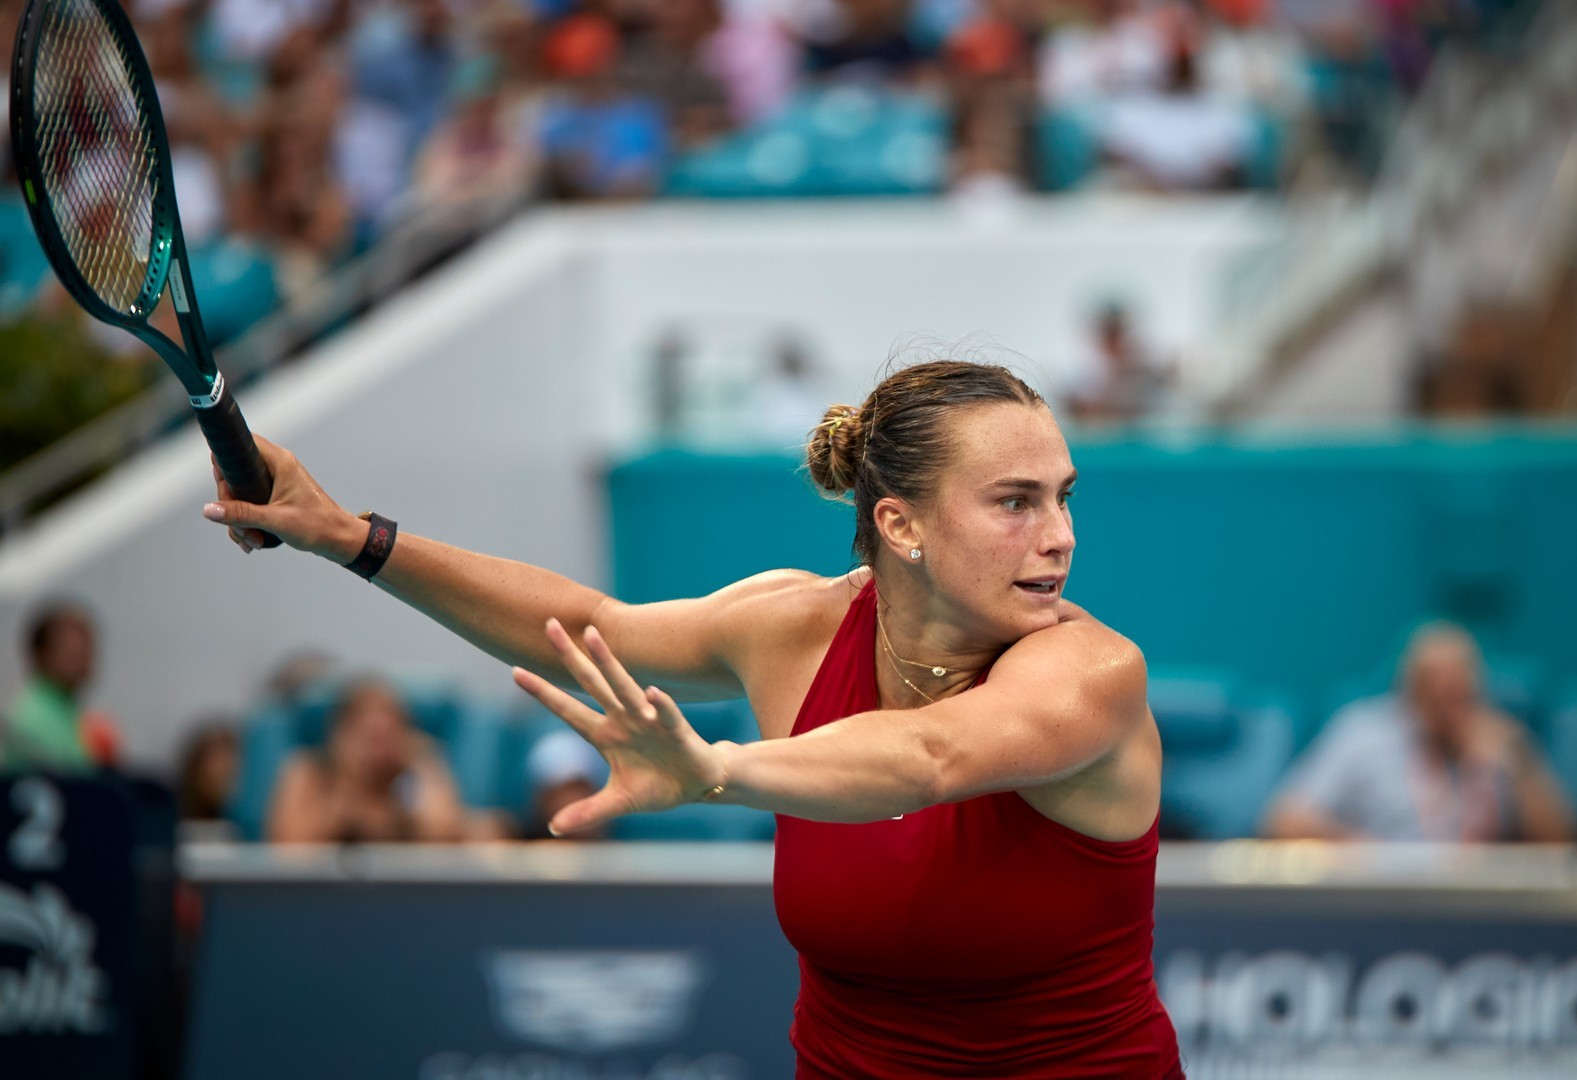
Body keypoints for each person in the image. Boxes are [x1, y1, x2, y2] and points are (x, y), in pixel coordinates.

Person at [201, 359, 1184, 1076]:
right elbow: (587, 629)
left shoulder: (1090, 672)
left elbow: (929, 754)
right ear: (901, 524)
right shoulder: (793, 628)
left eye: (1062, 497)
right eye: (1015, 502)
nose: (1059, 537)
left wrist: (717, 770)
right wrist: (346, 537)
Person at [1262, 623, 1577, 843]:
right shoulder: (1362, 731)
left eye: (1459, 687)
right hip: (1385, 895)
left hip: (1478, 900)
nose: (1446, 697)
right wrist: (1360, 849)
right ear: (1408, 686)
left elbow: (1562, 842)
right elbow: (1285, 819)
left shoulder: (1503, 738)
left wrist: (1520, 769)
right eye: (1434, 685)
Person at [265, 679, 496, 844]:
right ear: (339, 736)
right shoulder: (308, 771)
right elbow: (289, 852)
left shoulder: (414, 771)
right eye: (368, 736)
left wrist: (423, 762)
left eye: (389, 735)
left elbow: (445, 834)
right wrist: (352, 791)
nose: (378, 750)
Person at [1, 601, 112, 774]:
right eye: (71, 652)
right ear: (40, 655)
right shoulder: (32, 720)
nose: (83, 660)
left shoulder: (68, 711)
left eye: (87, 650)